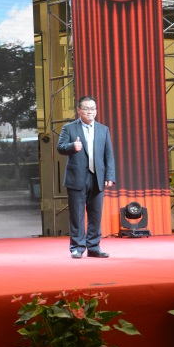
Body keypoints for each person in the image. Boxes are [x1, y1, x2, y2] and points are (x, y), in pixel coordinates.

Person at [56, 96, 115, 259]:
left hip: (97, 178)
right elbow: (60, 148)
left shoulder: (103, 129)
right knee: (77, 215)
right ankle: (77, 247)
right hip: (76, 178)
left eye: (93, 108)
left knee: (95, 215)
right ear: (79, 110)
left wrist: (110, 175)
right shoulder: (69, 128)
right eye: (87, 108)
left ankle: (94, 247)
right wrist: (72, 146)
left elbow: (108, 155)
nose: (90, 112)